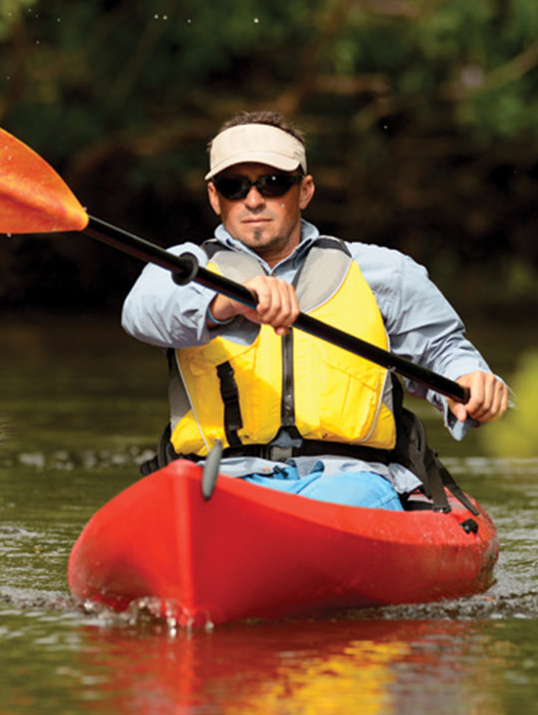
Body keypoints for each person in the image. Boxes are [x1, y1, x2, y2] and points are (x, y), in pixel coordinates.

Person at [121, 111, 511, 510]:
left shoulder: (383, 272)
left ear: (304, 190)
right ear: (213, 196)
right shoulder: (183, 268)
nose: (253, 200)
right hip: (220, 478)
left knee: (347, 498)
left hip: (351, 480)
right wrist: (226, 302)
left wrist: (471, 382)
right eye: (234, 186)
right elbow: (140, 314)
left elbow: (443, 351)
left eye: (273, 184)